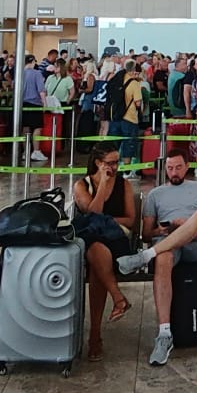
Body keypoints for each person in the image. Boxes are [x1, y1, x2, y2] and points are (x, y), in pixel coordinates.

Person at [117, 150, 197, 367]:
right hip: (168, 241)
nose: (174, 172)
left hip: (196, 243)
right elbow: (146, 233)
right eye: (170, 168)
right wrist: (162, 230)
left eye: (178, 167)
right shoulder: (155, 194)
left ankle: (144, 256)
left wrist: (186, 224)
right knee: (163, 259)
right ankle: (164, 335)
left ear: (187, 167)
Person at [72, 143, 136, 360]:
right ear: (98, 163)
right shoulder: (82, 185)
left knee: (97, 260)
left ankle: (96, 334)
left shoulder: (124, 185)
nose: (115, 167)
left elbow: (130, 219)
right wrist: (102, 187)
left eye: (117, 162)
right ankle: (116, 300)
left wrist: (107, 222)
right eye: (110, 163)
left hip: (117, 240)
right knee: (97, 253)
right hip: (94, 246)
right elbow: (92, 212)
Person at [112, 61, 145, 162]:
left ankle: (113, 168)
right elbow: (138, 103)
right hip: (130, 118)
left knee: (114, 146)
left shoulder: (118, 79)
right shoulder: (134, 83)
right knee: (128, 146)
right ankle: (127, 170)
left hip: (115, 117)